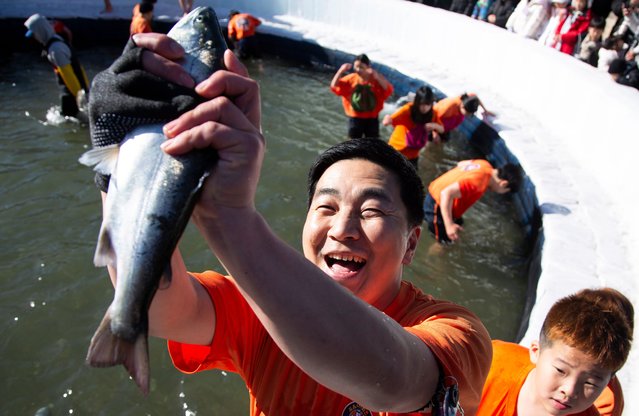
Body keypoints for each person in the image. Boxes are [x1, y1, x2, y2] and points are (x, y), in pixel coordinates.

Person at [89, 32, 493, 415]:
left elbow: (395, 378)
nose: (343, 228)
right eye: (326, 207)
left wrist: (227, 216)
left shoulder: (458, 332)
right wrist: (120, 161)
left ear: (410, 243)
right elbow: (161, 311)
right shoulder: (257, 302)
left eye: (371, 210)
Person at [477, 287, 633, 415]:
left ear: (608, 382)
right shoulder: (489, 363)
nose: (570, 390)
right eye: (560, 370)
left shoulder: (608, 402)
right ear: (536, 351)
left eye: (590, 383)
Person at [424, 159, 522, 244]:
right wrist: (449, 225)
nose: (502, 193)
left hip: (442, 198)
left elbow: (461, 164)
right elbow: (446, 193)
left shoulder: (484, 164)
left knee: (458, 229)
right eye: (505, 191)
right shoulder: (478, 182)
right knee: (444, 243)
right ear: (504, 184)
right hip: (437, 205)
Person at [24, 13, 90, 118]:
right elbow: (79, 68)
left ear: (41, 31)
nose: (35, 38)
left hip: (70, 94)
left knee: (70, 120)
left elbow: (68, 75)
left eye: (34, 34)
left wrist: (79, 96)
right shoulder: (56, 39)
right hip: (75, 91)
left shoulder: (56, 49)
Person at [330, 54, 394, 139]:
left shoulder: (375, 78)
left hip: (372, 118)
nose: (358, 70)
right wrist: (340, 71)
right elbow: (334, 86)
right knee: (353, 143)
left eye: (361, 67)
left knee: (373, 142)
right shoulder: (351, 79)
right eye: (356, 67)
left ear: (368, 67)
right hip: (355, 117)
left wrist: (377, 77)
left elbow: (387, 89)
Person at [382, 85, 444, 169]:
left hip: (413, 154)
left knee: (410, 179)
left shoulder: (433, 114)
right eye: (422, 104)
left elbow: (442, 129)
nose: (425, 108)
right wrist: (387, 119)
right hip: (397, 148)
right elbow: (391, 119)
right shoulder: (408, 110)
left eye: (428, 104)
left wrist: (434, 126)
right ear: (417, 102)